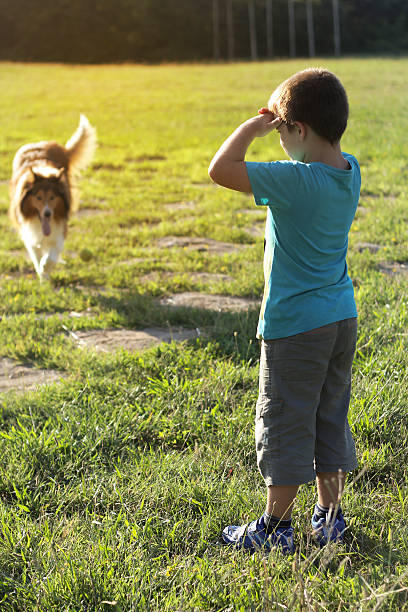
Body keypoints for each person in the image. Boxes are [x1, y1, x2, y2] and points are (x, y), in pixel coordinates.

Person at [208, 68, 360, 554]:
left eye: (280, 130)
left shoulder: (294, 181)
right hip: (341, 317)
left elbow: (220, 168)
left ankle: (274, 530)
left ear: (298, 130)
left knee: (286, 421)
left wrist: (252, 127)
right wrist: (279, 122)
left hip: (296, 327)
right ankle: (330, 519)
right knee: (327, 416)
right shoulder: (350, 171)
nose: (276, 139)